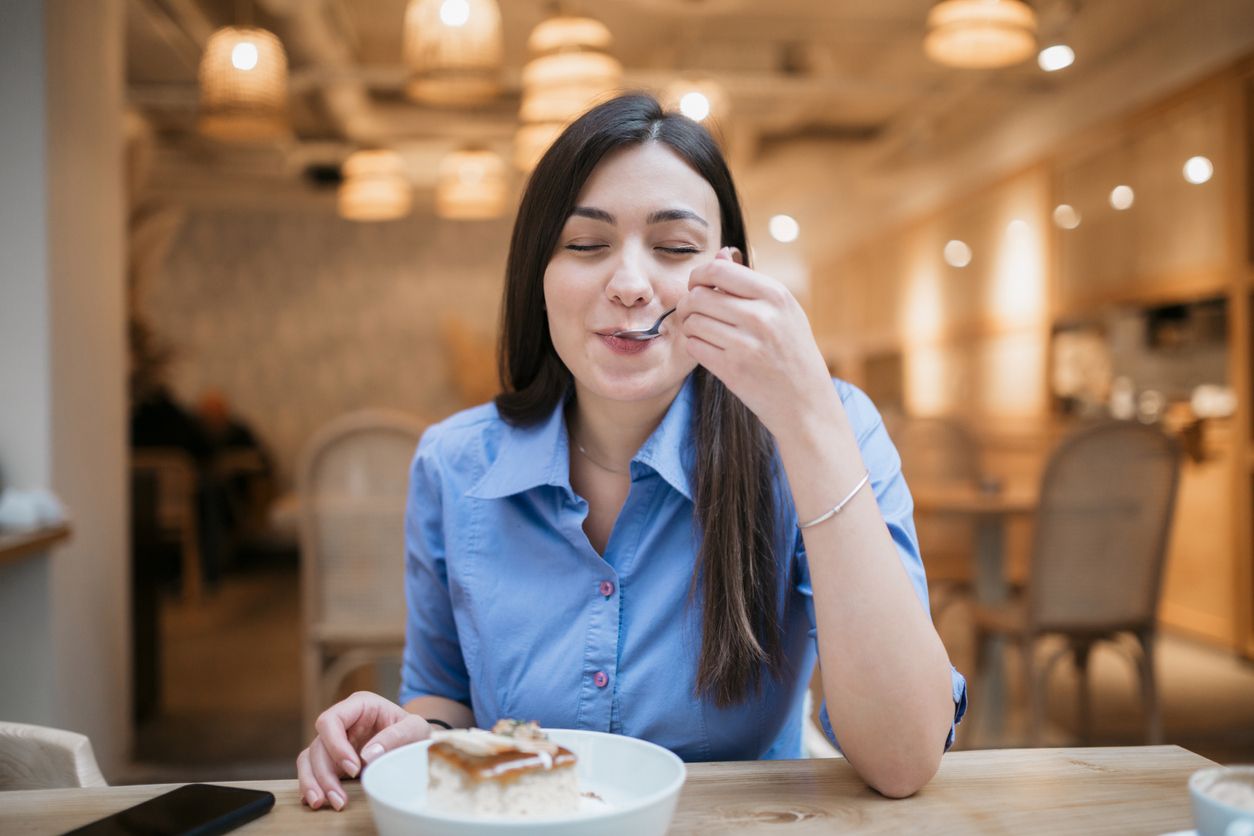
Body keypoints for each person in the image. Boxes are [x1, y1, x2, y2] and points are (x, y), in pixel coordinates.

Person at [296, 93, 967, 811]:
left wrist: (807, 420)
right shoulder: (453, 462)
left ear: (727, 274)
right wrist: (411, 733)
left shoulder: (829, 429)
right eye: (586, 246)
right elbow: (446, 698)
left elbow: (903, 759)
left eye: (675, 248)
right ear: (538, 276)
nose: (629, 285)